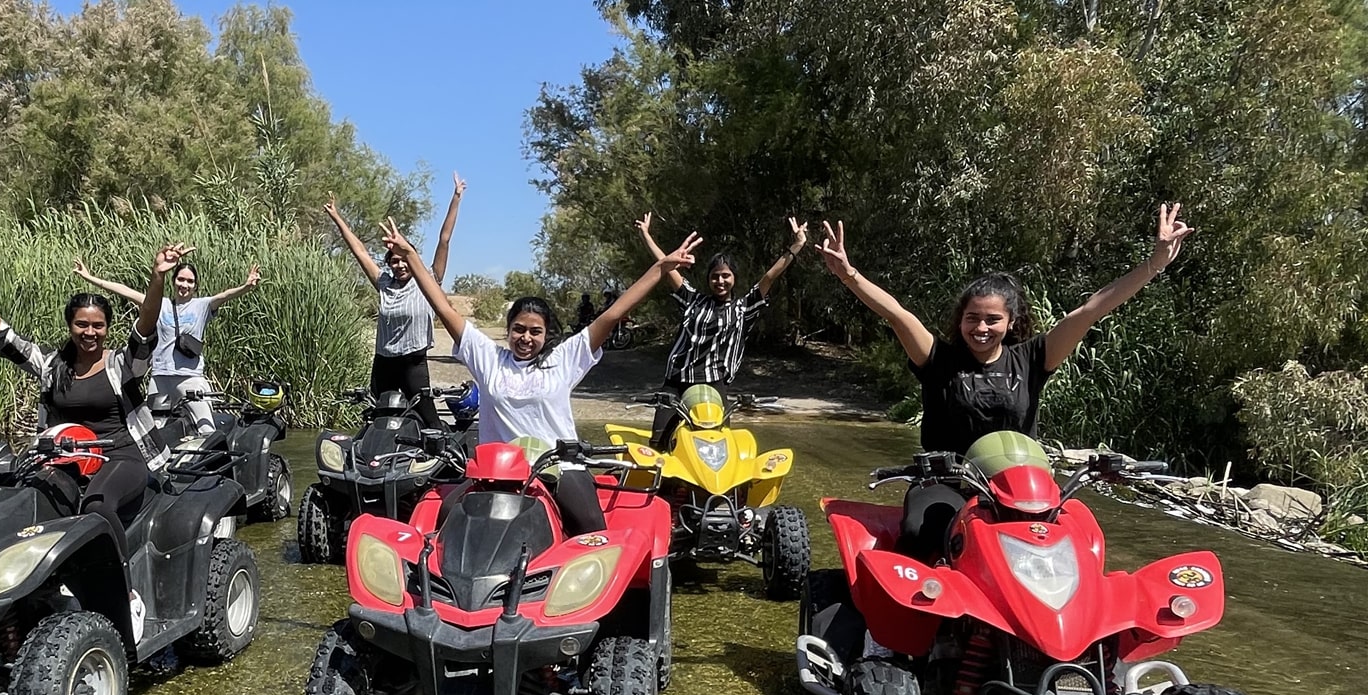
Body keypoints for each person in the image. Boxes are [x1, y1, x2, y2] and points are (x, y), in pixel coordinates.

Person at [816, 203, 1196, 556]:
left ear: (1010, 322)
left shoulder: (1032, 359)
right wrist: (849, 275)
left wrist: (1153, 264)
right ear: (960, 320)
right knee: (924, 532)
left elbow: (1089, 311)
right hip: (945, 487)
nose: (981, 328)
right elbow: (897, 314)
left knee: (1079, 545)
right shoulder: (938, 360)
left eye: (992, 320)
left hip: (1021, 492)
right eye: (972, 318)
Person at [380, 217, 701, 536]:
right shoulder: (487, 356)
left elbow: (613, 314)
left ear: (546, 336)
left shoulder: (564, 358)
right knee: (445, 522)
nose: (525, 337)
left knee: (592, 531)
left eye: (535, 331)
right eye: (518, 329)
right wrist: (410, 255)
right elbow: (444, 308)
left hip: (558, 467)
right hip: (495, 473)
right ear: (508, 331)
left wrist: (661, 268)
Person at [0, 244, 188, 539]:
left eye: (98, 326)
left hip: (121, 456)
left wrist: (157, 277)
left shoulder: (122, 365)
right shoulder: (52, 365)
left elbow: (145, 329)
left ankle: (122, 584)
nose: (90, 332)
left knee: (96, 508)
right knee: (20, 504)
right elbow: (1, 334)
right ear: (70, 326)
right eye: (82, 325)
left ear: (107, 329)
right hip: (65, 459)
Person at [638, 213, 809, 449]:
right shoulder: (693, 300)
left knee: (718, 445)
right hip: (676, 380)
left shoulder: (743, 308)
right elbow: (666, 268)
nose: (720, 281)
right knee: (658, 443)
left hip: (713, 384)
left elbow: (770, 276)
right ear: (708, 280)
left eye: (725, 276)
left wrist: (797, 245)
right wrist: (646, 235)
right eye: (715, 276)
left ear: (734, 279)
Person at [324, 172, 467, 430]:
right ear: (389, 265)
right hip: (384, 363)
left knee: (430, 421)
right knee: (379, 422)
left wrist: (456, 197)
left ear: (411, 259)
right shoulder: (384, 284)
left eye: (403, 259)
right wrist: (337, 217)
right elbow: (359, 251)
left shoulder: (428, 281)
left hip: (413, 363)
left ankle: (441, 456)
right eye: (394, 261)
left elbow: (444, 239)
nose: (399, 265)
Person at [72, 257, 260, 436]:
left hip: (190, 378)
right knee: (155, 431)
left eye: (190, 281)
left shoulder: (202, 306)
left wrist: (246, 286)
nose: (184, 285)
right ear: (173, 281)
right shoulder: (159, 305)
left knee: (207, 430)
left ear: (195, 286)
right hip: (160, 377)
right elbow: (125, 291)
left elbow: (226, 295)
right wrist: (89, 277)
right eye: (181, 279)